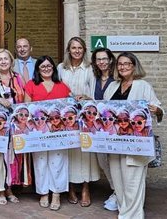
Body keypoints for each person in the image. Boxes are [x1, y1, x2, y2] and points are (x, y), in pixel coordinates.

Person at [103, 52, 163, 219]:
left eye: (127, 64)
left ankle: (134, 215)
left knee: (133, 182)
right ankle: (124, 211)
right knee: (119, 182)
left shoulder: (143, 85)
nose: (123, 67)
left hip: (136, 143)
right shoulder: (112, 86)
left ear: (134, 66)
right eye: (120, 64)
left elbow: (157, 107)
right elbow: (105, 111)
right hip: (115, 143)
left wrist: (157, 110)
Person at [0, 48, 29, 205]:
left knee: (12, 159)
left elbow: (26, 99)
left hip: (16, 127)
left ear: (11, 61)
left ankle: (9, 189)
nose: (3, 61)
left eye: (6, 59)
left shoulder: (19, 78)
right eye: (0, 59)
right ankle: (0, 190)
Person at [24, 55, 71, 211]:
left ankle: (56, 193)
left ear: (53, 68)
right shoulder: (31, 85)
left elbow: (69, 108)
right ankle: (43, 192)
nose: (46, 69)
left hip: (58, 132)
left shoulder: (62, 86)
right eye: (43, 66)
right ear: (38, 69)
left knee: (58, 161)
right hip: (38, 131)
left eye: (49, 66)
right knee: (41, 161)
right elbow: (26, 107)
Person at [58, 37, 99, 207]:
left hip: (84, 115)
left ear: (84, 50)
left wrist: (88, 98)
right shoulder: (61, 68)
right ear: (68, 50)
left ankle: (85, 187)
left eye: (80, 48)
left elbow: (95, 92)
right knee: (69, 150)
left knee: (84, 151)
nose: (76, 51)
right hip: (66, 115)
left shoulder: (90, 68)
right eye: (73, 48)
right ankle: (70, 188)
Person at [88, 47, 118, 211]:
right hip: (98, 128)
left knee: (115, 160)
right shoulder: (95, 79)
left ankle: (119, 194)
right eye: (98, 59)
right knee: (102, 160)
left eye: (104, 59)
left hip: (114, 128)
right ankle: (116, 190)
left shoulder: (117, 78)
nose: (101, 62)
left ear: (110, 60)